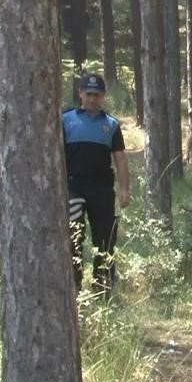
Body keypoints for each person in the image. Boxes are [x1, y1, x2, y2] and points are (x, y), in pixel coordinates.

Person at [62, 72, 130, 292]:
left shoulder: (111, 124)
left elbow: (119, 157)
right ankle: (74, 286)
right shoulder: (65, 119)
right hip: (73, 187)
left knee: (105, 238)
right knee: (74, 236)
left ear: (103, 96)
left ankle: (102, 285)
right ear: (80, 94)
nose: (92, 98)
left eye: (97, 94)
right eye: (88, 94)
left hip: (101, 189)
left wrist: (124, 189)